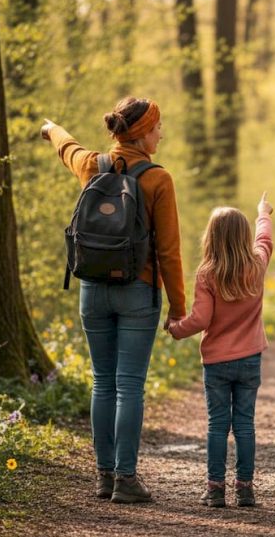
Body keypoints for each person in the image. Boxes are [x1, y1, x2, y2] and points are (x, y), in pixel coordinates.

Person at [41, 97, 186, 504]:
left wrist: (50, 128)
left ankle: (104, 476)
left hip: (92, 288)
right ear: (142, 133)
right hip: (138, 290)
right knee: (130, 386)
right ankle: (126, 478)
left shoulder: (93, 165)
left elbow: (67, 148)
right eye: (157, 128)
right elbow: (169, 252)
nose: (161, 135)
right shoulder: (158, 179)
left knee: (102, 382)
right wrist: (178, 308)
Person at [165, 194, 274, 508]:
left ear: (211, 237)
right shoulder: (257, 264)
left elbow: (201, 319)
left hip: (216, 362)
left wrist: (176, 328)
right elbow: (265, 238)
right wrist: (263, 212)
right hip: (250, 358)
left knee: (217, 424)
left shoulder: (207, 274)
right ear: (243, 236)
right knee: (245, 424)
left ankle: (215, 489)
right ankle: (245, 488)